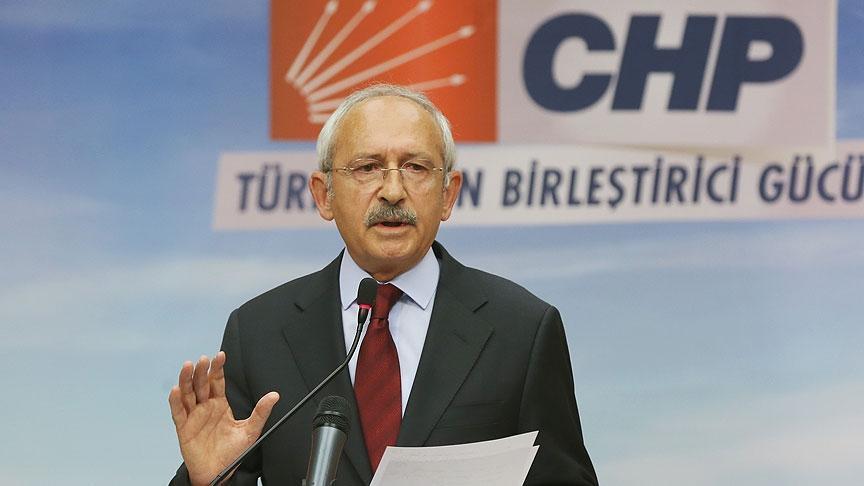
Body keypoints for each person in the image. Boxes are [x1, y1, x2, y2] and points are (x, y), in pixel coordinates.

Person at [168, 84, 598, 486]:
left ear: (448, 194)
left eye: (415, 167)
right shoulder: (258, 333)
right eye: (367, 167)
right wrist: (209, 482)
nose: (393, 191)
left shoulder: (521, 330)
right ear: (324, 195)